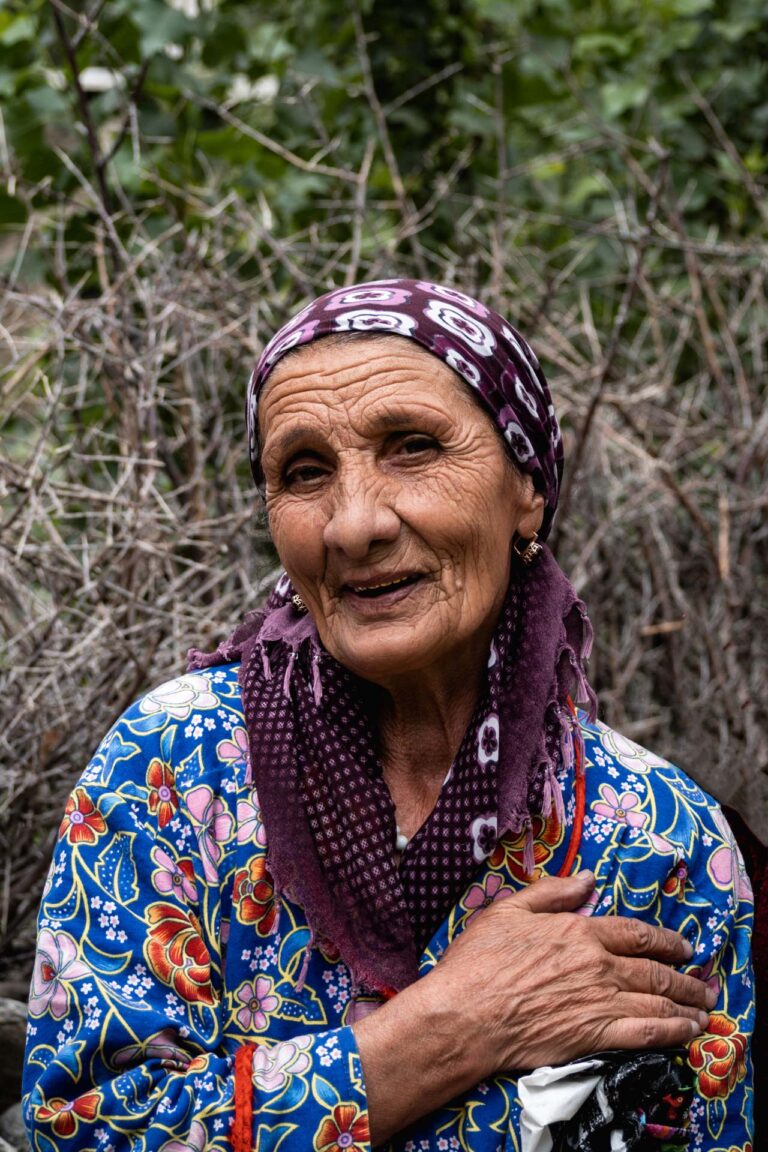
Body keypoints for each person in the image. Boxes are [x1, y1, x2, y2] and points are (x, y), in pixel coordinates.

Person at [23, 280, 753, 1151]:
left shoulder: (661, 839)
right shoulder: (175, 770)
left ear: (528, 486)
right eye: (304, 471)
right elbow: (85, 1127)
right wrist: (455, 1024)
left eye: (412, 447)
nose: (354, 523)